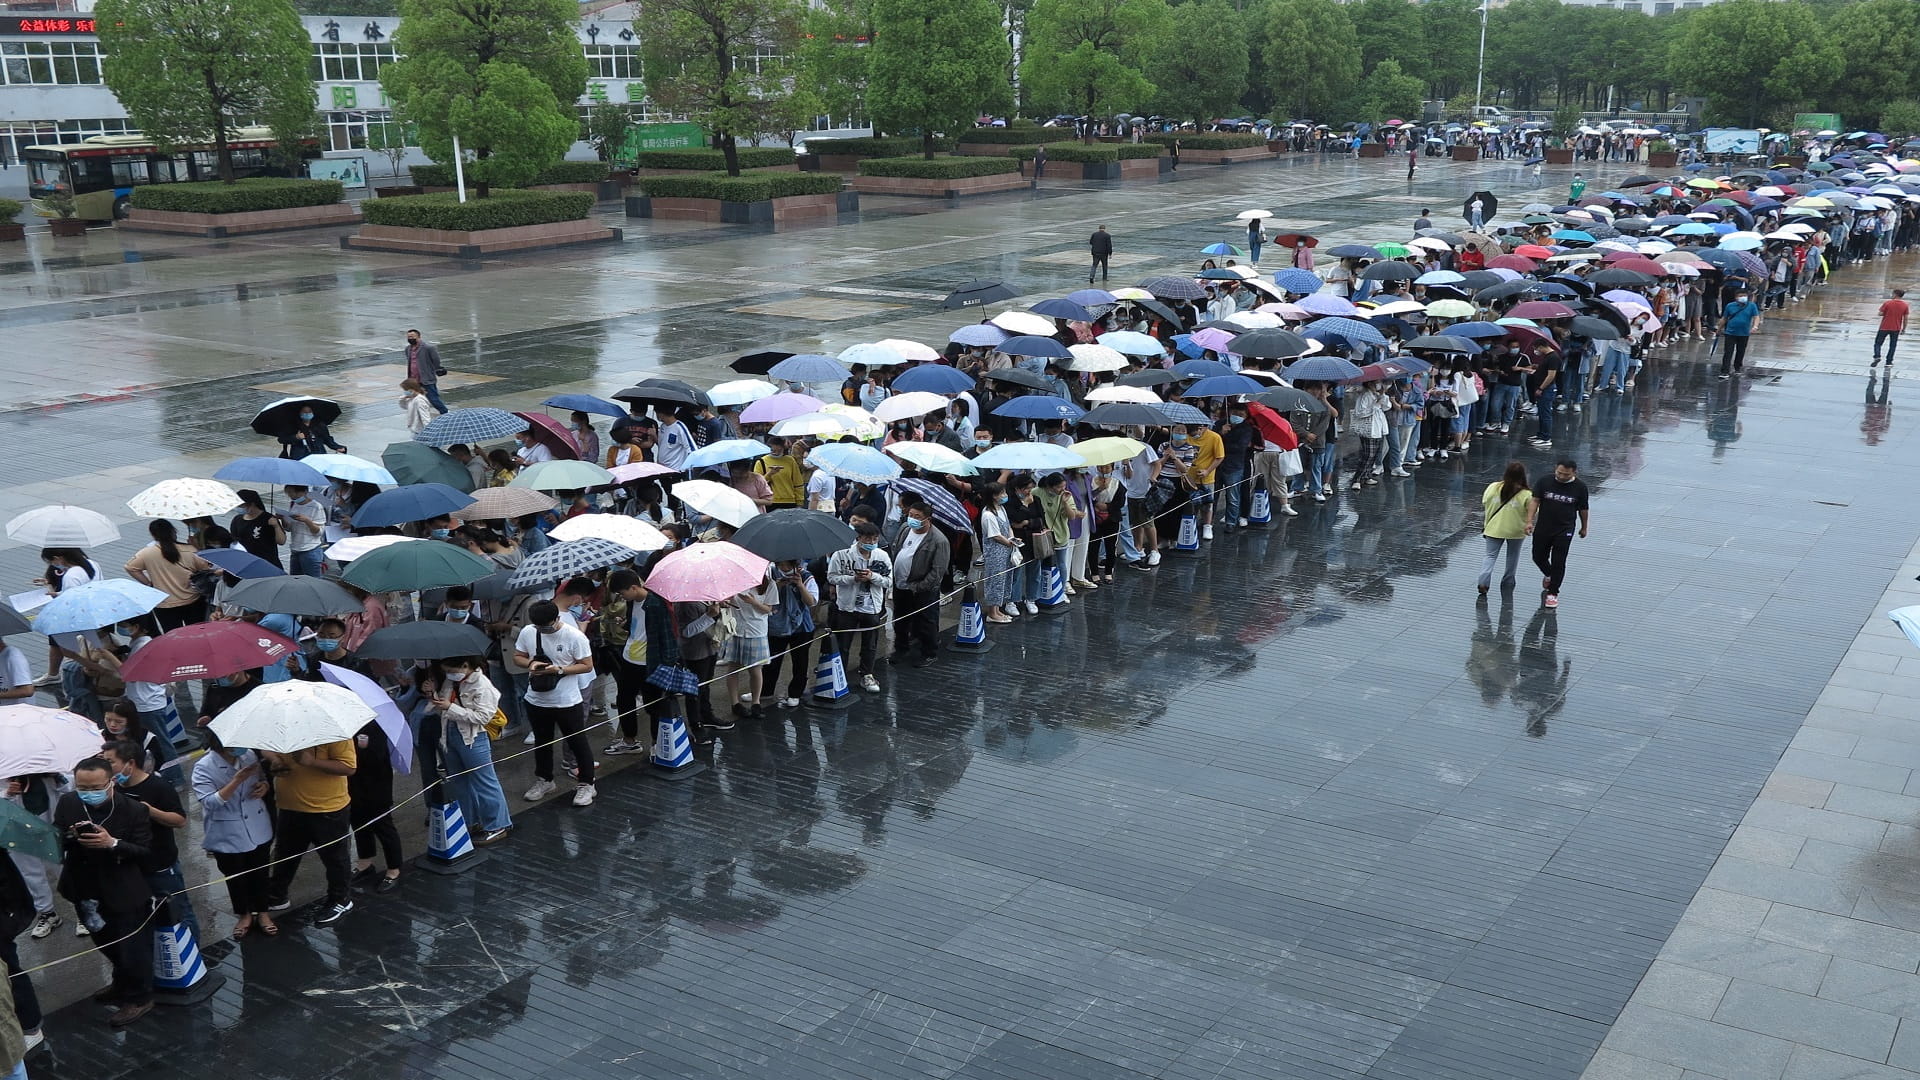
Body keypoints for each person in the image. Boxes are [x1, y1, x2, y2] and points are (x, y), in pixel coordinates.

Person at [52, 757, 155, 1026]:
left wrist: (112, 843)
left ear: (111, 782)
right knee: (105, 942)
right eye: (82, 787)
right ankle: (120, 983)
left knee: (132, 948)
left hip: (122, 890)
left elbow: (144, 852)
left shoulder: (133, 810)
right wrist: (71, 836)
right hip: (84, 888)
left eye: (95, 787)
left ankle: (139, 997)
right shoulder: (69, 803)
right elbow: (57, 834)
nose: (88, 793)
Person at [99, 741, 197, 942]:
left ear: (130, 763)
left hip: (159, 865)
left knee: (179, 911)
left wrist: (149, 811)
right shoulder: (112, 789)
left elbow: (180, 820)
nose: (107, 769)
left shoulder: (158, 787)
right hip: (131, 865)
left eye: (111, 762)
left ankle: (193, 957)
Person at [262, 735, 357, 928]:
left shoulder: (334, 732)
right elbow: (266, 745)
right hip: (289, 805)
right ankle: (277, 894)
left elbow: (349, 767)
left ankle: (340, 899)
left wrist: (313, 762)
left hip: (327, 809)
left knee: (335, 858)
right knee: (285, 854)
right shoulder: (283, 722)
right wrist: (275, 760)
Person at [190, 729, 277, 938]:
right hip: (228, 830)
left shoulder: (248, 755)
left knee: (260, 872)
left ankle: (263, 912)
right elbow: (209, 802)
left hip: (257, 824)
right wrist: (236, 781)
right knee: (236, 876)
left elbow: (262, 778)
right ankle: (244, 914)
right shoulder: (203, 767)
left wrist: (263, 786)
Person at [513, 600, 598, 807]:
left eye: (547, 626)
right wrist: (531, 664)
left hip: (567, 701)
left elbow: (587, 666)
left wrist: (559, 670)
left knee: (578, 742)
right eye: (539, 627)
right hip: (536, 699)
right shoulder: (528, 632)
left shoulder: (574, 636)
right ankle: (545, 779)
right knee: (542, 741)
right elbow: (518, 657)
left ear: (557, 618)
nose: (544, 630)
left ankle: (587, 783)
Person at [431, 656, 512, 845]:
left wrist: (451, 707)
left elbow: (483, 717)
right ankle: (469, 821)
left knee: (484, 781)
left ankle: (497, 825)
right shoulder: (451, 681)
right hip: (450, 734)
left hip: (474, 738)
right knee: (459, 782)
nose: (449, 674)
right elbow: (443, 706)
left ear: (465, 665)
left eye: (451, 669)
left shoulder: (482, 685)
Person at [826, 522, 892, 692]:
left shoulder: (882, 556)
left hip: (872, 608)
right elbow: (832, 578)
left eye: (874, 538)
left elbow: (888, 581)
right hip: (847, 607)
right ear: (858, 538)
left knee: (870, 643)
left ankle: (867, 674)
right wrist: (852, 579)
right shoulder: (841, 555)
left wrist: (873, 577)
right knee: (843, 644)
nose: (871, 541)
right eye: (867, 538)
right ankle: (839, 676)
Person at [887, 502, 949, 669]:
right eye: (911, 515)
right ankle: (901, 648)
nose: (912, 519)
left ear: (927, 519)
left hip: (922, 590)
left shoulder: (938, 540)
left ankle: (929, 652)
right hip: (900, 585)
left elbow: (937, 572)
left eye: (917, 517)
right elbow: (896, 548)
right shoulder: (905, 528)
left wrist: (919, 587)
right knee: (900, 619)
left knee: (926, 621)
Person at [346, 714, 401, 895]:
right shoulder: (346, 722)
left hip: (376, 784)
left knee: (383, 825)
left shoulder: (375, 723)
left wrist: (359, 749)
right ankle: (365, 862)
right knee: (359, 822)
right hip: (354, 783)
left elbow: (378, 755)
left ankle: (394, 869)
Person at [123, 520, 211, 631]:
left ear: (153, 535)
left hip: (164, 604)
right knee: (198, 632)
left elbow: (130, 567)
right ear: (173, 531)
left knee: (173, 637)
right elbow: (205, 569)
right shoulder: (190, 550)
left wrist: (148, 583)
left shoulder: (146, 553)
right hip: (192, 600)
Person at [1525, 458, 1590, 610]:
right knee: (1538, 556)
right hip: (1543, 526)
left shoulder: (1580, 487)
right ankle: (1550, 575)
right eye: (1559, 473)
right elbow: (1535, 500)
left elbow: (1583, 509)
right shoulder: (1544, 481)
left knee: (1559, 561)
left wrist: (1584, 527)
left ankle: (1553, 593)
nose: (1561, 477)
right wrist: (1529, 521)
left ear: (1574, 472)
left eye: (1566, 475)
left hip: (1565, 529)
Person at [760, 561, 816, 710]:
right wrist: (777, 586)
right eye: (781, 565)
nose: (784, 569)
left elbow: (811, 602)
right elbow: (761, 596)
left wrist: (800, 585)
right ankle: (765, 690)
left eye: (787, 566)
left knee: (800, 661)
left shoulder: (806, 576)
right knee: (772, 660)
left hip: (802, 627)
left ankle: (795, 693)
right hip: (776, 625)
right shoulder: (770, 574)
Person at [1477, 462, 1534, 595]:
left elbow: (1484, 502)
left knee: (1490, 556)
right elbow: (1533, 511)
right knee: (1513, 556)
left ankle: (1483, 582)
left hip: (1493, 528)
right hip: (1516, 530)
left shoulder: (1493, 487)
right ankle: (1508, 581)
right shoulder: (1526, 494)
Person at [228, 490, 285, 571]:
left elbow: (281, 541)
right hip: (246, 563)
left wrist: (276, 526)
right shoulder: (237, 520)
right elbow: (234, 541)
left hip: (268, 563)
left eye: (241, 505)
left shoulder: (268, 519)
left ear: (252, 504)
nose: (239, 508)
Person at [280, 485, 326, 577]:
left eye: (294, 493)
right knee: (295, 580)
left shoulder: (316, 507)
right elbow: (289, 528)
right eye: (289, 493)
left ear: (305, 492)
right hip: (295, 549)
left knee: (313, 581)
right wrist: (282, 519)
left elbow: (319, 532)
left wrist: (307, 520)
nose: (292, 496)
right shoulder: (293, 504)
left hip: (310, 550)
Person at [1718, 289, 1761, 378]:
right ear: (1736, 297)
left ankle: (1737, 368)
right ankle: (1725, 371)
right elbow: (1724, 318)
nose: (1742, 297)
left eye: (1744, 295)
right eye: (1740, 296)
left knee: (1740, 351)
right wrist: (1719, 329)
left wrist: (1755, 326)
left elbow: (1756, 317)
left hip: (1744, 333)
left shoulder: (1752, 306)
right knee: (1728, 352)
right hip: (1730, 332)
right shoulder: (1730, 306)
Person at [404, 329, 448, 414]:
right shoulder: (408, 349)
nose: (410, 338)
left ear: (419, 337)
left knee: (433, 399)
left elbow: (436, 361)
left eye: (412, 337)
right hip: (413, 380)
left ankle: (445, 413)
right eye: (409, 337)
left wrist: (437, 369)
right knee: (414, 399)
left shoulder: (428, 348)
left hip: (426, 379)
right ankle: (420, 414)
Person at [1875, 288, 1908, 367]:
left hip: (1884, 327)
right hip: (1896, 328)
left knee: (1878, 343)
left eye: (1892, 294)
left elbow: (1880, 313)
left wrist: (1887, 313)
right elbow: (1906, 318)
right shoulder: (1905, 305)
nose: (1891, 295)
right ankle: (1889, 362)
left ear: (1895, 294)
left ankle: (1877, 356)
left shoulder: (1887, 303)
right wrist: (1904, 329)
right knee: (1892, 345)